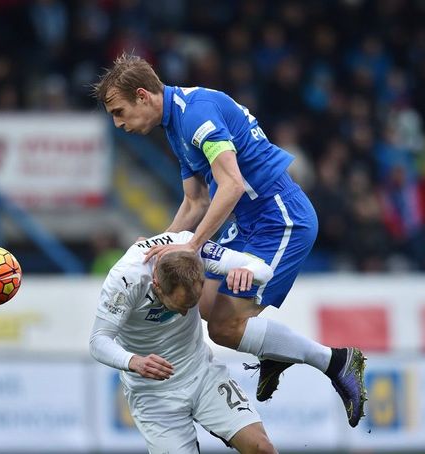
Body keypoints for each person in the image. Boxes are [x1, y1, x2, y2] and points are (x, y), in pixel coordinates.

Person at [93, 53, 367, 427]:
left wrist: (189, 246)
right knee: (201, 301)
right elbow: (195, 201)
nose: (118, 123)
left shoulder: (194, 115)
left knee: (224, 326)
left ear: (143, 96)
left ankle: (336, 361)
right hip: (248, 222)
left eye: (119, 112)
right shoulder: (176, 121)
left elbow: (233, 184)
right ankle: (273, 353)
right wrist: (162, 243)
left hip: (279, 219)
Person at [90, 231, 276, 454]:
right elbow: (98, 340)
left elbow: (264, 268)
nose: (186, 311)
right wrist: (133, 361)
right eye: (178, 305)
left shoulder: (192, 248)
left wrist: (246, 272)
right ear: (156, 284)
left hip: (202, 373)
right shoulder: (125, 278)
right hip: (153, 395)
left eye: (192, 303)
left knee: (261, 448)